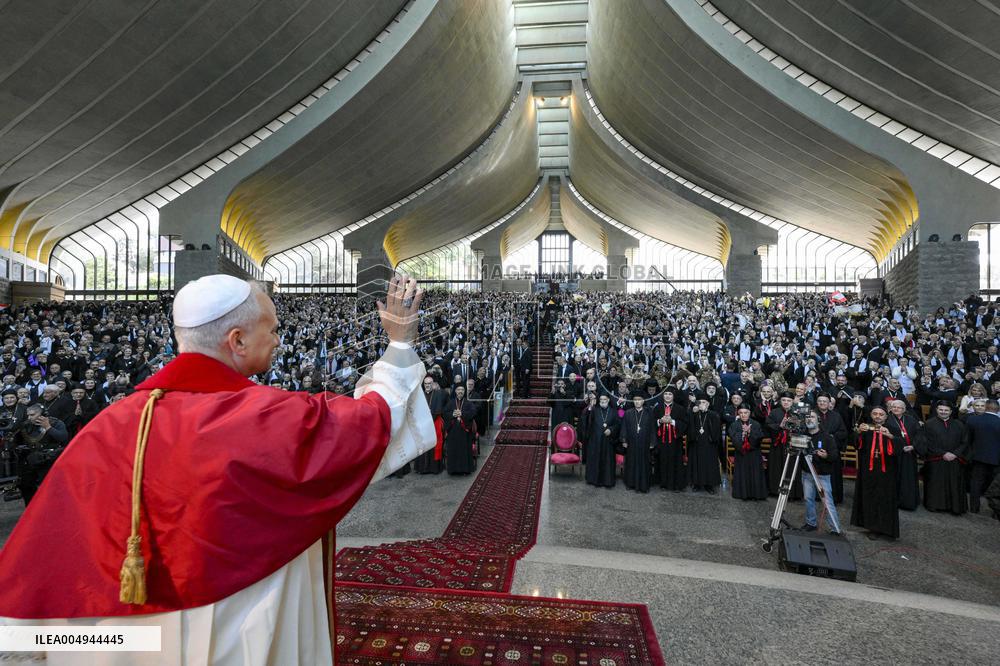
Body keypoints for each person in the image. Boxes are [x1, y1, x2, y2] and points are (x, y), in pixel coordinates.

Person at [0, 274, 435, 665]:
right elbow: (375, 420)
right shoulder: (271, 418)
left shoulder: (111, 424)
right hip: (239, 622)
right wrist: (399, 344)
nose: (280, 340)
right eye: (273, 329)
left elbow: (52, 551)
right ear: (237, 340)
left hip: (133, 641)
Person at [851, 406, 900, 539]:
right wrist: (859, 433)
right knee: (869, 497)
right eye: (875, 414)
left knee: (884, 497)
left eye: (881, 414)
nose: (878, 416)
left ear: (886, 416)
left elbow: (899, 447)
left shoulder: (893, 429)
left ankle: (885, 528)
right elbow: (856, 444)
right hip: (868, 470)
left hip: (886, 471)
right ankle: (872, 527)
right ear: (871, 415)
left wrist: (889, 436)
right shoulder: (866, 428)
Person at [920, 401, 970, 515]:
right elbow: (926, 442)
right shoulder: (929, 424)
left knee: (954, 483)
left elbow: (965, 442)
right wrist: (943, 453)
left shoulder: (959, 424)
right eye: (941, 409)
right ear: (937, 410)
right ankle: (935, 505)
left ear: (951, 411)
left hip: (955, 459)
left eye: (946, 410)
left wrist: (955, 454)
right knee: (936, 483)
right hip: (936, 459)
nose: (943, 412)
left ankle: (955, 507)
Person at [799, 409, 842, 535]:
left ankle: (835, 528)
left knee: (827, 502)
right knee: (808, 499)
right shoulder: (802, 435)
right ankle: (811, 523)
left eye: (812, 417)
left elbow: (834, 456)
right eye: (807, 417)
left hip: (822, 475)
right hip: (806, 473)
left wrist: (826, 456)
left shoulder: (827, 437)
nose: (809, 419)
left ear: (818, 420)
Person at [963, 399, 1000, 514]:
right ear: (998, 409)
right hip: (997, 459)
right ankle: (996, 511)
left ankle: (974, 509)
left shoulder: (973, 419)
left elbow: (967, 440)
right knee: (996, 487)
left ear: (986, 407)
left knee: (976, 483)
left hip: (977, 457)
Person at [885, 399, 922, 510]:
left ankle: (907, 502)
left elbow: (919, 436)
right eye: (894, 407)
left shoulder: (911, 420)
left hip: (909, 453)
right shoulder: (886, 420)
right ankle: (893, 501)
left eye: (899, 407)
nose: (896, 409)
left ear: (904, 409)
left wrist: (913, 446)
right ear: (890, 408)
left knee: (907, 478)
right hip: (893, 454)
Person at [728, 405, 767, 500]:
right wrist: (742, 434)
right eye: (741, 413)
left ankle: (755, 494)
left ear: (749, 413)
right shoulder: (734, 425)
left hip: (754, 454)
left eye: (745, 413)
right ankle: (742, 494)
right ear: (738, 414)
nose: (743, 415)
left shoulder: (756, 424)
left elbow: (759, 438)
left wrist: (750, 432)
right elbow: (733, 439)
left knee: (755, 473)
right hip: (741, 454)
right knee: (742, 473)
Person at [686, 393, 722, 493]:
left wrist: (708, 412)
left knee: (709, 464)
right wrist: (692, 412)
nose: (702, 404)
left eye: (704, 402)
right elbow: (688, 424)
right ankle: (696, 483)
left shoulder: (713, 414)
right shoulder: (694, 413)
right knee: (696, 463)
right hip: (696, 443)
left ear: (708, 404)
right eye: (700, 402)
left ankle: (709, 485)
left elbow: (716, 428)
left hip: (709, 443)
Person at [583, 393, 619, 488]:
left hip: (608, 442)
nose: (603, 401)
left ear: (608, 400)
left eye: (605, 399)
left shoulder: (613, 411)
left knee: (607, 461)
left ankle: (607, 481)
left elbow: (617, 425)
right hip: (595, 441)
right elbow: (587, 421)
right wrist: (590, 408)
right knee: (595, 459)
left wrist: (611, 430)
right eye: (601, 399)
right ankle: (594, 480)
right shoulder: (594, 410)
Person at [654, 386, 687, 491]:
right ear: (663, 395)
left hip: (675, 441)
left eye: (670, 394)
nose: (667, 396)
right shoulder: (657, 408)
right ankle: (663, 483)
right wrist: (660, 421)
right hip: (661, 441)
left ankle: (676, 484)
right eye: (666, 394)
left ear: (673, 396)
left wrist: (672, 422)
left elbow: (685, 424)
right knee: (662, 461)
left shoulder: (680, 408)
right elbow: (651, 422)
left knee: (675, 462)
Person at [621, 392, 655, 493]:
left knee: (644, 463)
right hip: (631, 443)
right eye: (635, 400)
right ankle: (631, 484)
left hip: (645, 443)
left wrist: (652, 442)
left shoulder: (649, 413)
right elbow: (624, 427)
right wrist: (624, 439)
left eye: (639, 400)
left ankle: (644, 485)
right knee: (631, 462)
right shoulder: (628, 413)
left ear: (643, 401)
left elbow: (653, 428)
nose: (637, 402)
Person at [414, 375, 447, 474]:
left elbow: (439, 410)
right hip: (422, 425)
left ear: (433, 384)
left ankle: (434, 469)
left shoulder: (438, 394)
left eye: (429, 383)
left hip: (434, 424)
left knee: (433, 447)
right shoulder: (420, 395)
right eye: (426, 383)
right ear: (423, 385)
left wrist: (429, 417)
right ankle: (422, 468)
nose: (427, 385)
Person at [444, 384, 477, 475]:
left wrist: (462, 413)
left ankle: (465, 470)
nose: (460, 391)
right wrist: (452, 414)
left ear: (464, 391)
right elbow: (445, 413)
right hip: (453, 432)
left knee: (464, 451)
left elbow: (473, 412)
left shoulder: (468, 403)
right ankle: (453, 470)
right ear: (455, 391)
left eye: (462, 389)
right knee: (453, 450)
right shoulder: (450, 402)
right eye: (458, 389)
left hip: (464, 433)